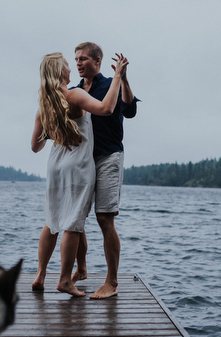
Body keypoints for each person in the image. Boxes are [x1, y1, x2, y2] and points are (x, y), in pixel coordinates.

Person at [30, 52, 128, 297]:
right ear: (59, 72)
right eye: (66, 65)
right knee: (73, 223)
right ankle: (64, 279)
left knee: (52, 221)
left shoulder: (45, 106)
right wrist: (117, 76)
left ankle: (40, 274)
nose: (71, 69)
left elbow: (36, 145)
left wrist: (57, 132)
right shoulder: (74, 94)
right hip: (78, 165)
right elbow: (105, 108)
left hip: (55, 164)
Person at [72, 42, 139, 299]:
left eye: (83, 59)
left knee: (104, 218)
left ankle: (112, 281)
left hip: (109, 156)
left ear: (97, 61)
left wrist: (123, 79)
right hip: (83, 159)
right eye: (76, 59)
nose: (78, 63)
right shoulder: (76, 90)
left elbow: (130, 110)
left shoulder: (111, 83)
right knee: (75, 216)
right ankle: (82, 269)